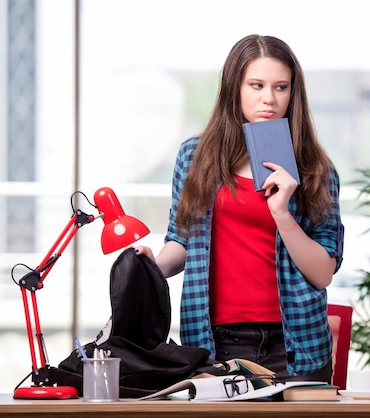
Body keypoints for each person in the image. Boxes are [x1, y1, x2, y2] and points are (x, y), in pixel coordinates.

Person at [135, 34, 344, 382]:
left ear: (294, 93)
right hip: (217, 343)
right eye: (256, 85)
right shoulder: (194, 158)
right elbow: (182, 241)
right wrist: (150, 267)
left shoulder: (315, 168)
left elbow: (322, 274)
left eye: (281, 87)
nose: (269, 99)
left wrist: (283, 213)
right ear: (235, 87)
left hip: (296, 343)